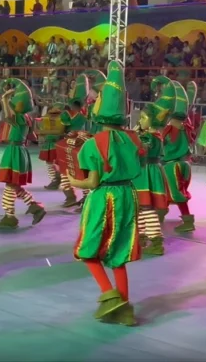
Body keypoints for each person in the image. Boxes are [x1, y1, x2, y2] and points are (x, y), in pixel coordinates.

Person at [64, 60, 142, 326]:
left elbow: (93, 182)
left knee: (88, 249)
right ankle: (126, 308)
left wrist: (75, 179)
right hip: (128, 195)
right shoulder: (133, 139)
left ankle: (109, 295)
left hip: (104, 197)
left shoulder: (94, 143)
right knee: (118, 253)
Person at [0, 78, 46, 230]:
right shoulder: (26, 118)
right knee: (14, 185)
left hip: (15, 151)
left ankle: (10, 215)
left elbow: (8, 116)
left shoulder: (19, 118)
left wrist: (4, 98)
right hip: (20, 151)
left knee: (10, 185)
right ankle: (34, 206)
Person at [133, 76, 174, 256]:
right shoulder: (153, 134)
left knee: (147, 207)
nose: (140, 121)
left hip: (147, 172)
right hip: (148, 172)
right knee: (141, 206)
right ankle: (142, 236)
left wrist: (133, 135)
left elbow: (141, 149)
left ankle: (156, 240)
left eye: (143, 118)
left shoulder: (149, 137)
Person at [161, 80, 197, 233]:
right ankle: (160, 212)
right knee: (171, 190)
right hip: (185, 163)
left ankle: (188, 220)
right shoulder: (186, 124)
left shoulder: (169, 127)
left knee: (175, 192)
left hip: (172, 164)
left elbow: (161, 144)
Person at [60, 74, 90, 208]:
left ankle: (77, 197)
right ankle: (80, 197)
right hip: (78, 142)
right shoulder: (81, 113)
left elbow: (63, 127)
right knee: (78, 171)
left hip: (75, 143)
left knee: (74, 171)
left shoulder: (71, 115)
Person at [39, 102, 65, 190]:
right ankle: (53, 180)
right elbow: (42, 131)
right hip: (48, 144)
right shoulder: (46, 119)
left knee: (58, 164)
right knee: (49, 163)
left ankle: (59, 181)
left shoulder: (61, 119)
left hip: (57, 144)